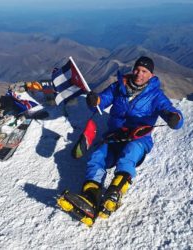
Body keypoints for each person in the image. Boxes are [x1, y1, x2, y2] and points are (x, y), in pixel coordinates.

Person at [59, 56, 184, 224]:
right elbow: (101, 101)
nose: (139, 74)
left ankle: (114, 193)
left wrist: (173, 117)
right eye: (137, 69)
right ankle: (90, 197)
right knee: (97, 157)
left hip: (138, 138)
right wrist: (94, 100)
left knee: (129, 154)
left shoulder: (156, 96)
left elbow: (171, 113)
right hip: (115, 136)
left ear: (151, 74)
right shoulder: (119, 86)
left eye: (144, 71)